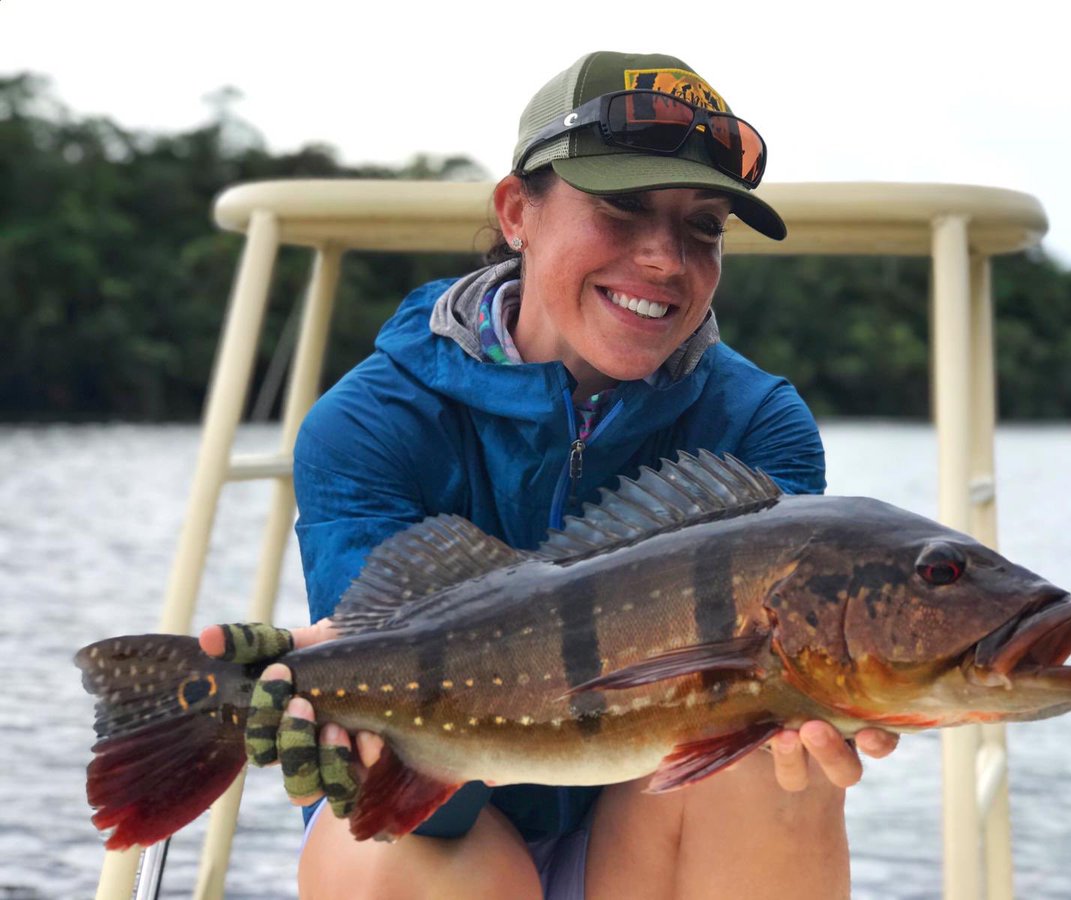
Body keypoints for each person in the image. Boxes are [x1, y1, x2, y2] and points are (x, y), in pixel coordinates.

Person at [202, 50, 898, 899]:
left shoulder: (757, 423)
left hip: (642, 839)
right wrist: (347, 719)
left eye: (703, 227)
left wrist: (823, 699)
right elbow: (388, 685)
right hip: (447, 830)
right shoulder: (368, 424)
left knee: (776, 765)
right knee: (394, 856)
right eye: (621, 210)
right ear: (515, 212)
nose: (666, 260)